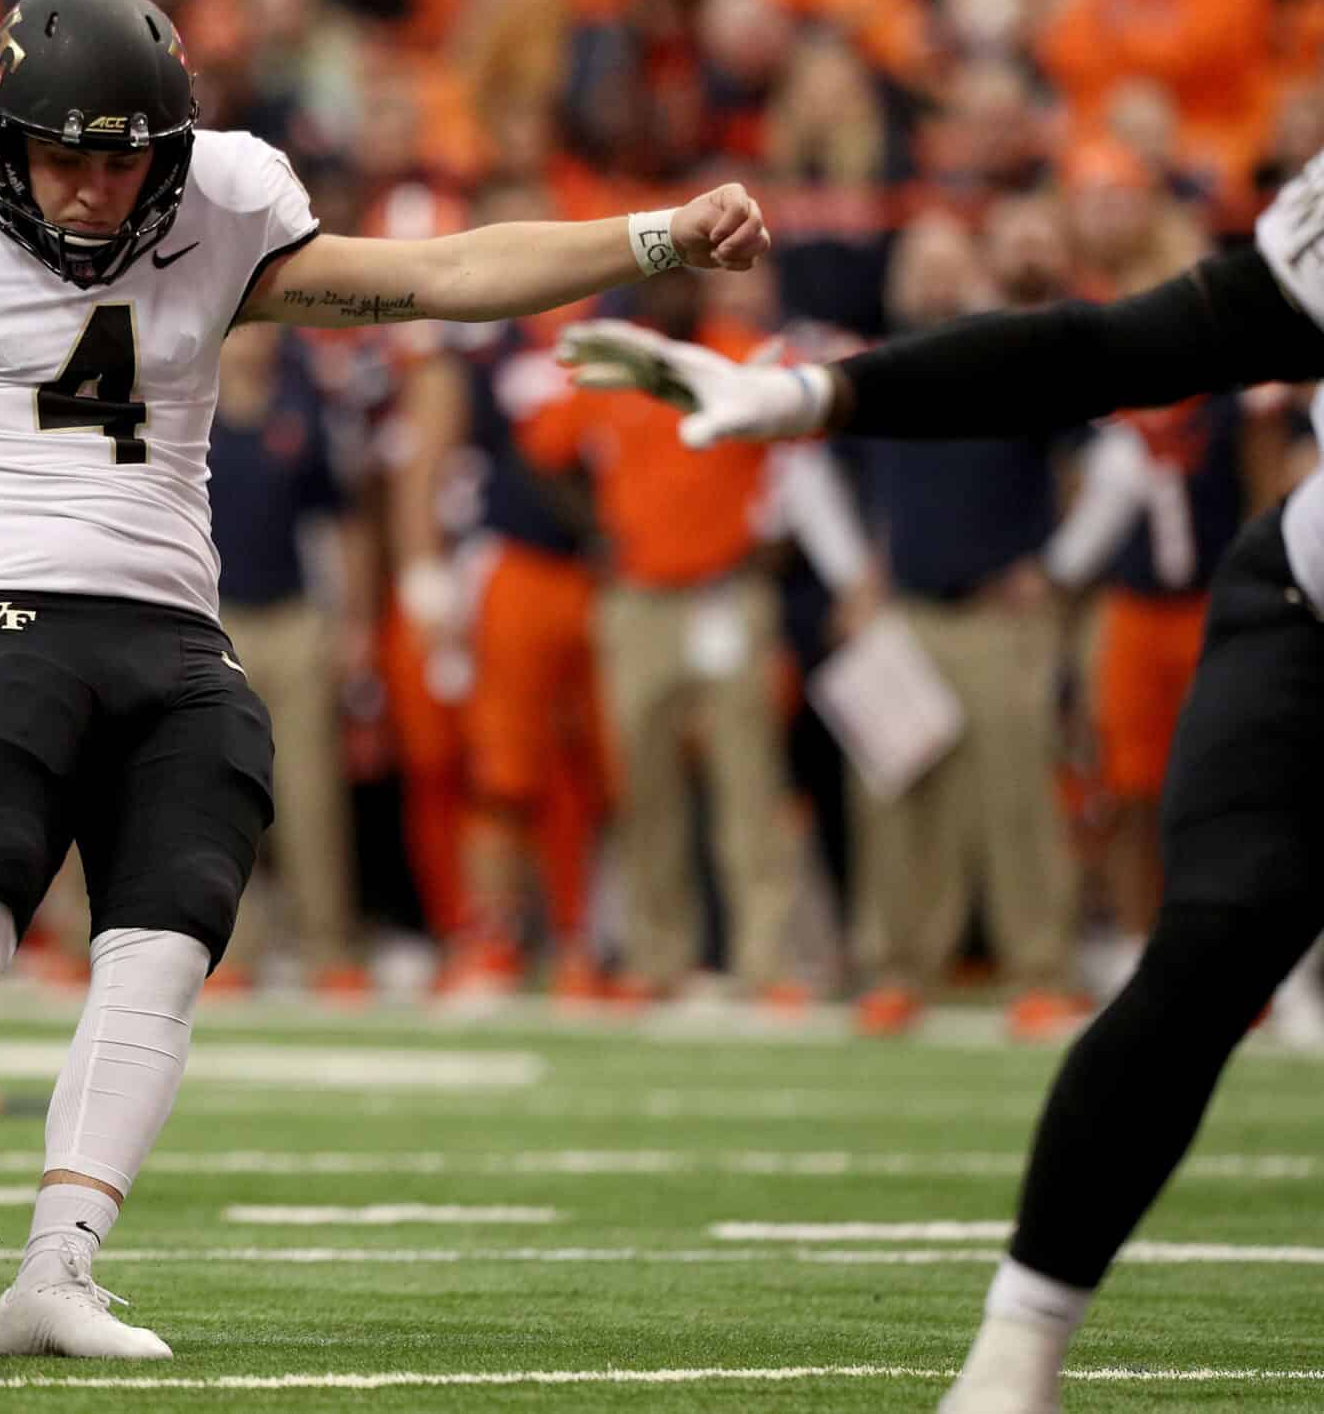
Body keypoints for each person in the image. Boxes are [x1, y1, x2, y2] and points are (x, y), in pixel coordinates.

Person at [0, 0, 770, 1358]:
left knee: (159, 948)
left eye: (125, 156)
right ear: (3, 140)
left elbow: (445, 274)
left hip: (180, 639)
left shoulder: (228, 207)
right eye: (67, 155)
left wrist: (654, 235)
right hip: (10, 618)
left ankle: (57, 1270)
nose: (97, 188)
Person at [553, 145, 1324, 1414]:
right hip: (1307, 616)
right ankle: (1016, 1354)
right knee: (1217, 940)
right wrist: (810, 398)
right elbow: (1115, 351)